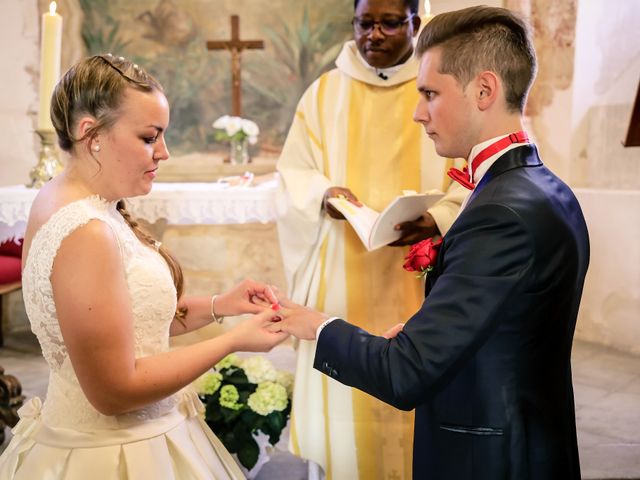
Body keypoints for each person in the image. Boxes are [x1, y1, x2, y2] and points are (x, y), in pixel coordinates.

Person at [277, 5, 589, 479]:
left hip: (491, 457)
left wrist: (314, 325)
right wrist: (428, 331)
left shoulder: (498, 214)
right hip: (527, 437)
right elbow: (508, 328)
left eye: (429, 94)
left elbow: (407, 375)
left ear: (484, 90)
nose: (419, 114)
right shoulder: (543, 186)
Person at [0, 54, 288, 479]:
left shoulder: (66, 199)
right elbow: (115, 390)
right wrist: (231, 342)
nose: (163, 152)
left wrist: (220, 305)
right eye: (149, 137)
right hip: (115, 454)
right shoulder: (87, 231)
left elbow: (127, 325)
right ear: (91, 134)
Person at [276, 0, 466, 477]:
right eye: (365, 23)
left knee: (415, 384)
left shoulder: (440, 89)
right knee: (346, 409)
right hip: (343, 270)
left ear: (414, 24)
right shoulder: (323, 94)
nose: (374, 35)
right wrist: (323, 193)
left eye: (389, 23)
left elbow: (469, 169)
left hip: (420, 277)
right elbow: (293, 173)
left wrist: (439, 218)